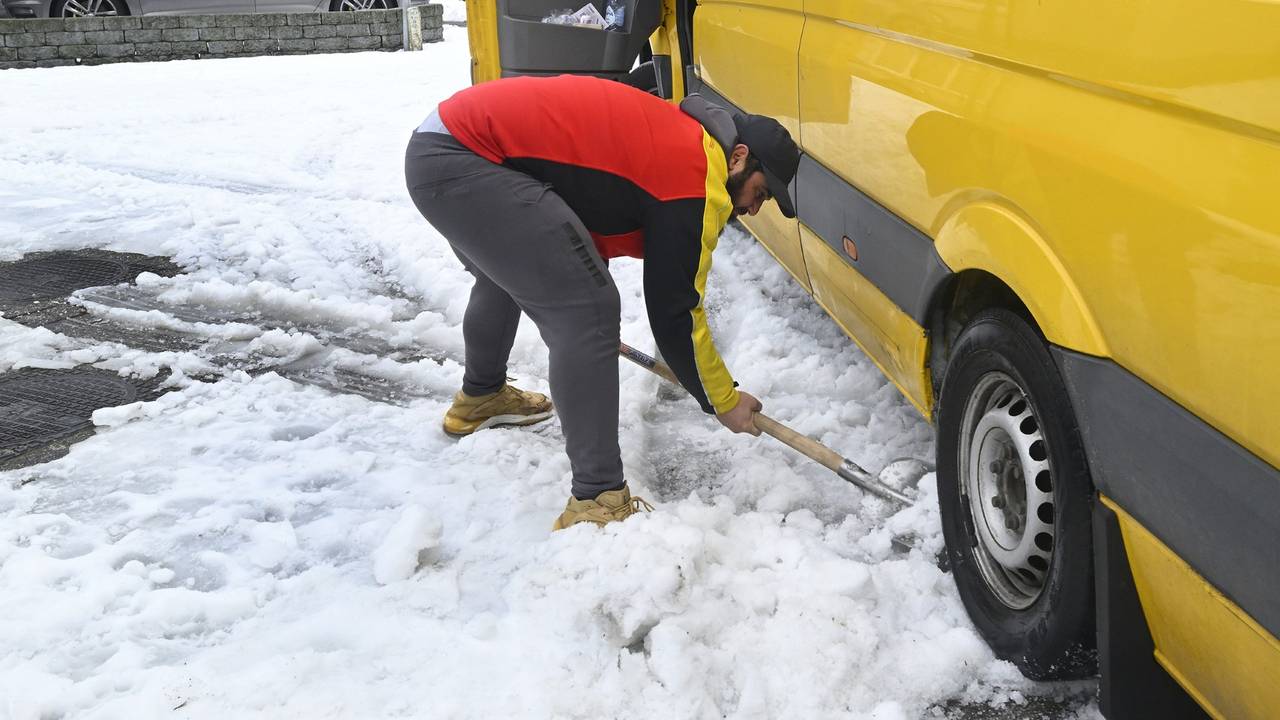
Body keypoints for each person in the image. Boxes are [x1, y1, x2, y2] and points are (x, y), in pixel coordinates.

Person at [404, 74, 801, 530]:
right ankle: (598, 498)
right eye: (760, 194)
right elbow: (675, 310)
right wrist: (723, 400)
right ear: (738, 158)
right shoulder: (693, 177)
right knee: (588, 311)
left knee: (520, 276)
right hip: (465, 160)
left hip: (443, 149)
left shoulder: (682, 140)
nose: (753, 209)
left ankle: (481, 398)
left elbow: (577, 233)